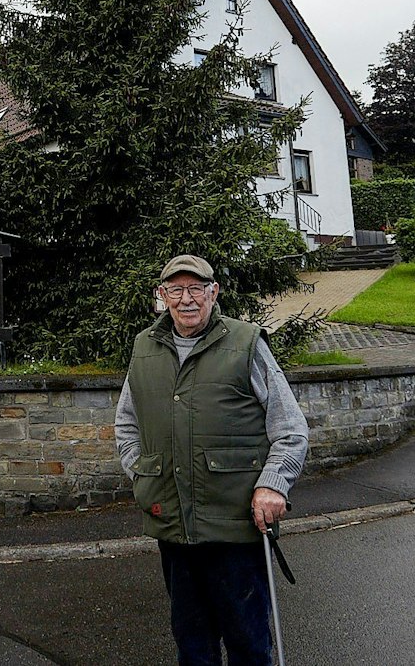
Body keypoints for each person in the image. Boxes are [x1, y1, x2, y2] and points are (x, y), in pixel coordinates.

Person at [114, 254, 309, 666]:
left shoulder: (246, 343)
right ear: (162, 295)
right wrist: (143, 476)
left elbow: (290, 428)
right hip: (173, 527)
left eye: (196, 288)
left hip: (234, 528)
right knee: (192, 643)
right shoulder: (144, 347)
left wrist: (274, 483)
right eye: (176, 290)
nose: (187, 299)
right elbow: (126, 426)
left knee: (249, 643)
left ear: (213, 292)